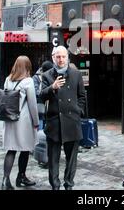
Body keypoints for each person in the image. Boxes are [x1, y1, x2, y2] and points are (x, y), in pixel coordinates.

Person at [40, 46, 86, 190]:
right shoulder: (47, 75)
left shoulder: (76, 74)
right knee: (53, 160)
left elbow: (82, 96)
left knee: (71, 159)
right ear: (53, 57)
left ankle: (69, 184)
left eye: (63, 57)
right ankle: (55, 185)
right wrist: (52, 87)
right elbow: (41, 95)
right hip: (54, 124)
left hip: (72, 123)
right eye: (58, 57)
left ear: (67, 57)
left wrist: (78, 111)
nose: (61, 59)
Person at [1, 56, 39, 190]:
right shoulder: (28, 81)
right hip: (23, 120)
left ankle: (5, 180)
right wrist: (36, 121)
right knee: (25, 148)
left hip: (9, 119)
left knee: (11, 149)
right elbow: (33, 104)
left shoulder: (8, 79)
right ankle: (21, 176)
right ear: (28, 66)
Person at [33, 60, 53, 130]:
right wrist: (45, 92)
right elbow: (35, 91)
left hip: (49, 105)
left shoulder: (51, 76)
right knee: (40, 121)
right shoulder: (36, 77)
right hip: (40, 104)